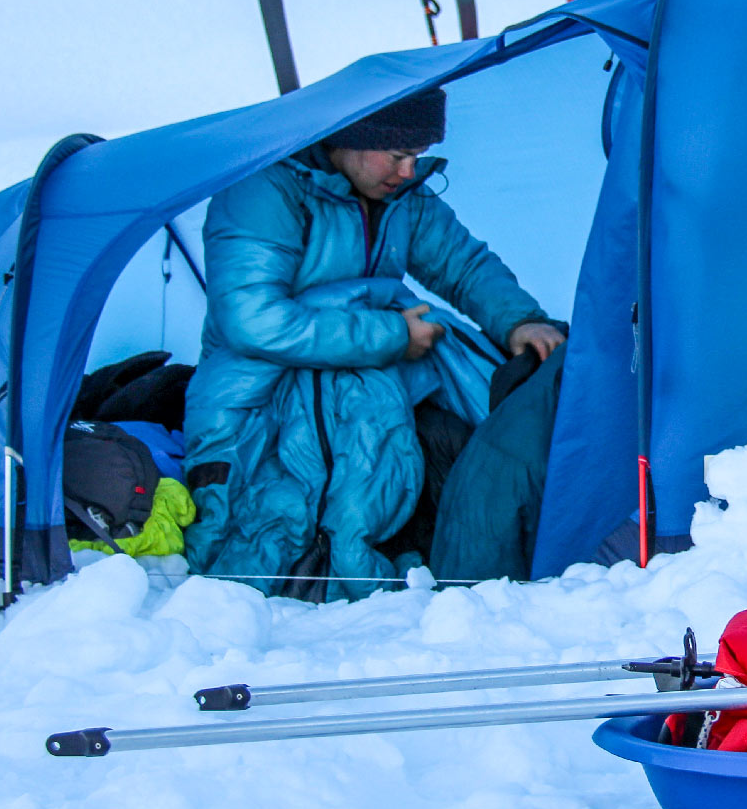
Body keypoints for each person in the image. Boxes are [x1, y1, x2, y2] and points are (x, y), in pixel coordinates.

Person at [181, 86, 565, 599]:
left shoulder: (400, 197)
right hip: (257, 401)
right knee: (276, 527)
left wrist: (520, 322)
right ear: (350, 138)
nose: (408, 171)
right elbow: (252, 320)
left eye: (418, 156)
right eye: (399, 154)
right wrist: (390, 335)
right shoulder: (266, 191)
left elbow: (462, 264)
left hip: (364, 381)